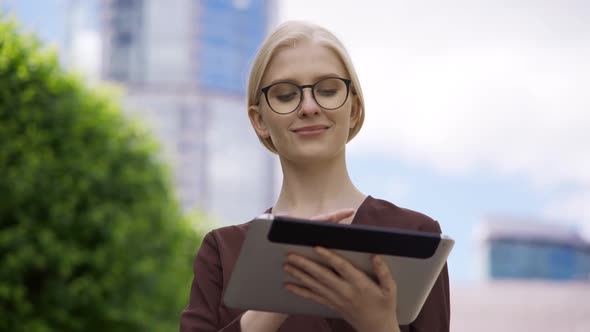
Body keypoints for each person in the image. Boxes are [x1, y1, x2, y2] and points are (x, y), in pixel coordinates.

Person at [180, 20, 450, 332]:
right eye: (285, 95)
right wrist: (271, 305)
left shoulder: (417, 236)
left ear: (354, 109)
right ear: (259, 120)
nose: (309, 107)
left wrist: (379, 325)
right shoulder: (222, 251)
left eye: (328, 90)